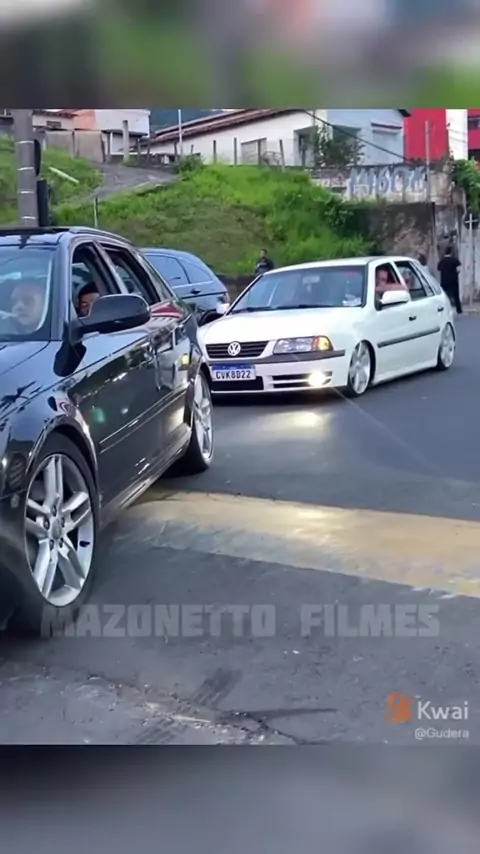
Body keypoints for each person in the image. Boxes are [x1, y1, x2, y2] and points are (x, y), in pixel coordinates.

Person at [437, 246, 462, 314]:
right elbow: (458, 269)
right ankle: (459, 309)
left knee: (444, 296)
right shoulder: (454, 260)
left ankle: (444, 309)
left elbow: (438, 269)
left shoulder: (441, 261)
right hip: (453, 280)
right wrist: (456, 273)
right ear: (451, 252)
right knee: (456, 295)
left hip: (444, 281)